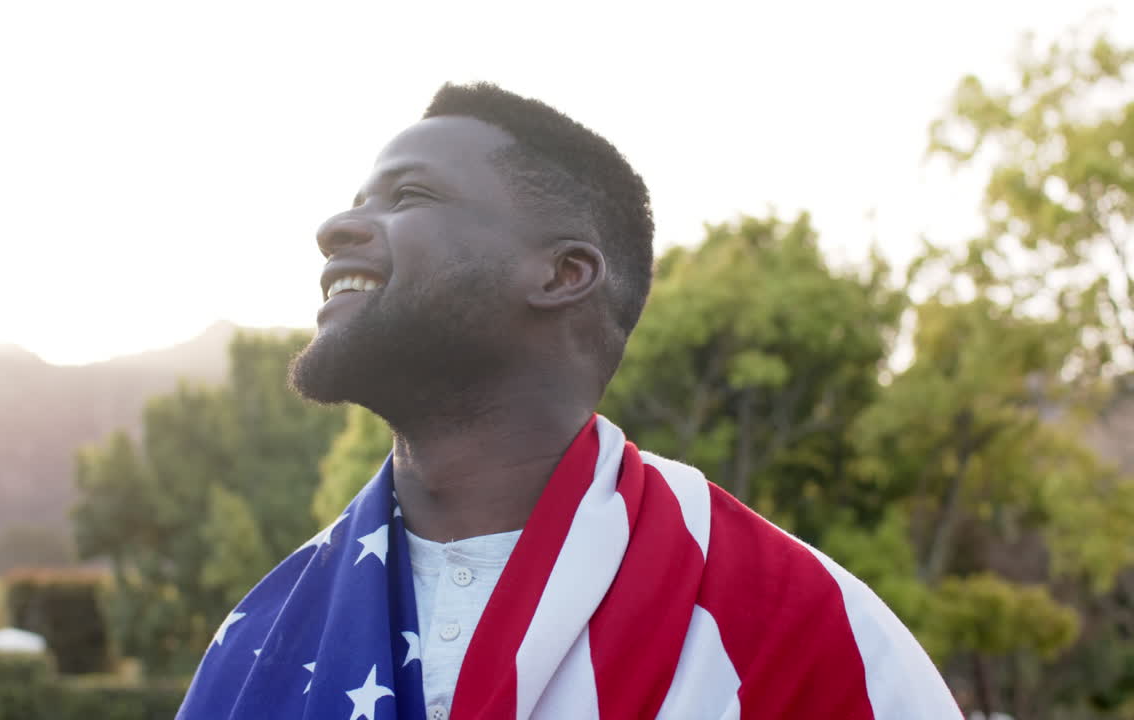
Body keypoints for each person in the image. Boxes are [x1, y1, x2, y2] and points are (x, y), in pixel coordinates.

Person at [176, 82, 961, 720]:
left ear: (561, 274)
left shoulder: (801, 632)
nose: (337, 226)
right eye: (357, 198)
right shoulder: (255, 641)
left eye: (407, 196)